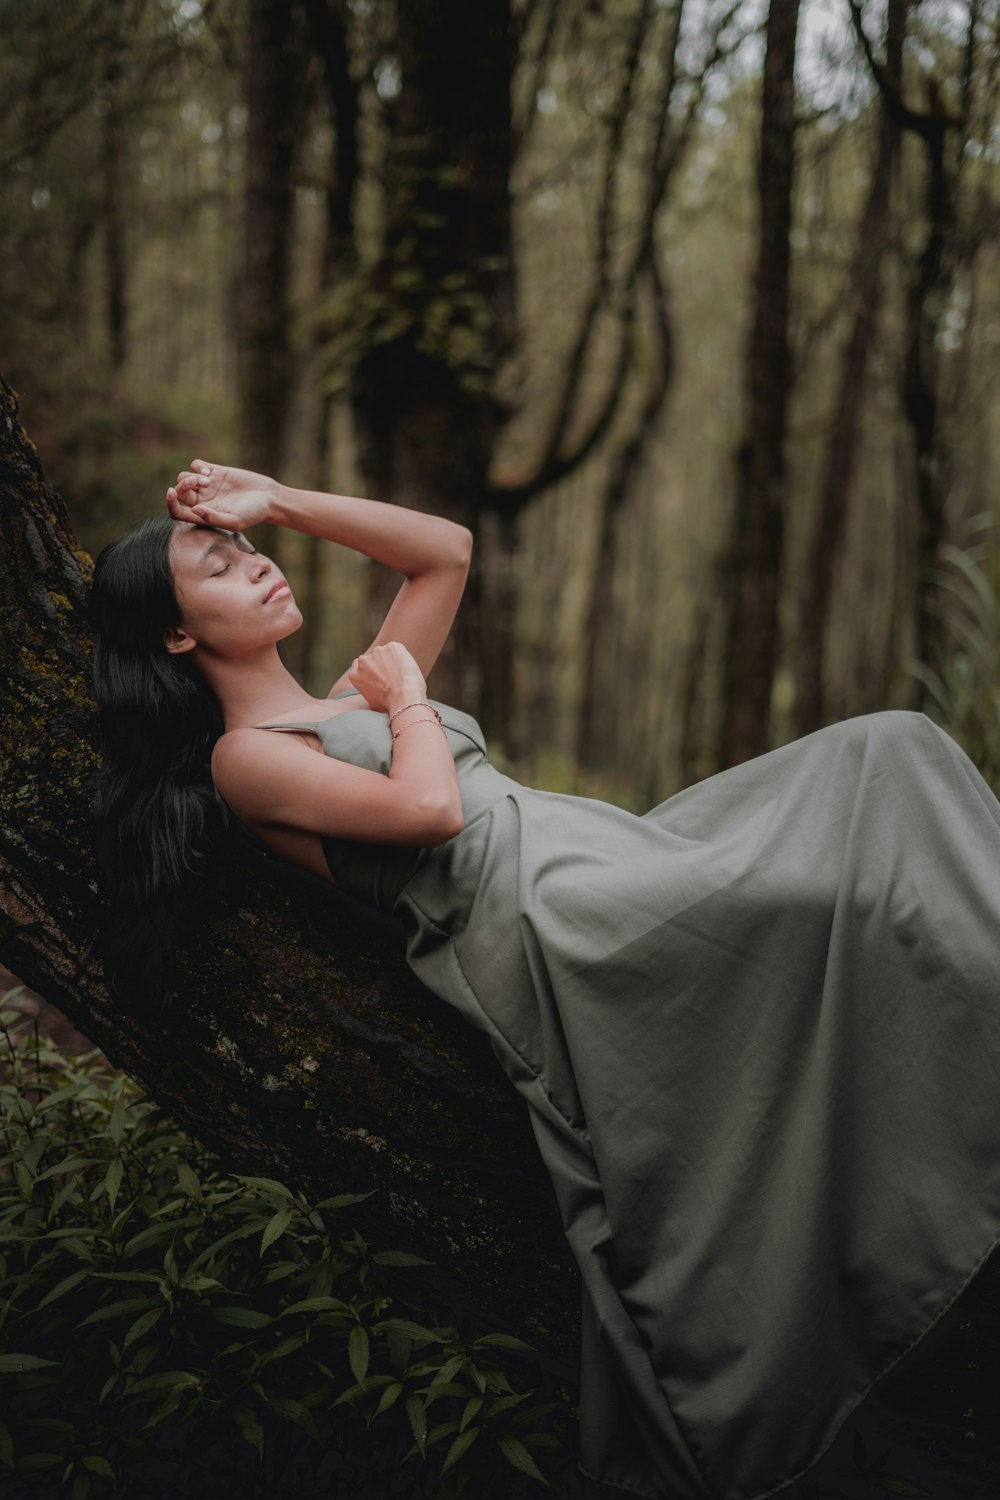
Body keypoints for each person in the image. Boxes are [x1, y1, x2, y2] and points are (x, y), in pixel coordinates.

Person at [91, 461, 1000, 1500]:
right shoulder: (246, 758)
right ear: (175, 636)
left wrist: (279, 499)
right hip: (551, 917)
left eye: (251, 548)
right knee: (855, 869)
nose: (257, 566)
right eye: (221, 565)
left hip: (601, 854)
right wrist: (412, 703)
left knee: (889, 756)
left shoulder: (349, 697)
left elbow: (444, 551)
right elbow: (429, 816)